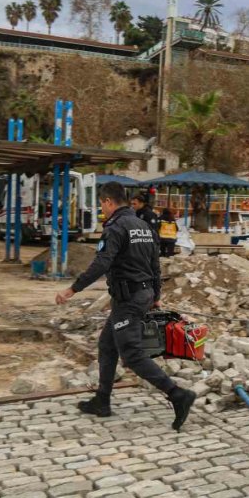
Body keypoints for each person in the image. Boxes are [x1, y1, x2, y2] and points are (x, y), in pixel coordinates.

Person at [55, 182, 195, 431]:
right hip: (140, 294)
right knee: (107, 345)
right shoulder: (143, 226)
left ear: (108, 201)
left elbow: (101, 263)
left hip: (129, 299)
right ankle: (102, 400)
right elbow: (155, 264)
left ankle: (177, 394)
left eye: (102, 204)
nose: (102, 209)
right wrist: (155, 295)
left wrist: (72, 289)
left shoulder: (116, 227)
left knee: (131, 353)